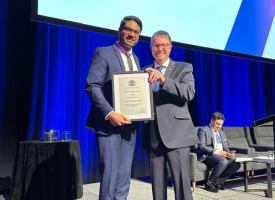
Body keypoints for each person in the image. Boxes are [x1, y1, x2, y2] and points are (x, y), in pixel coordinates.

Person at [85, 16, 142, 200]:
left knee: (124, 176)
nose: (131, 34)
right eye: (128, 29)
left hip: (130, 125)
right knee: (110, 176)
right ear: (119, 31)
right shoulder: (104, 52)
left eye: (135, 31)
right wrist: (110, 113)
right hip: (108, 124)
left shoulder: (137, 60)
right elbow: (92, 86)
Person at [142, 30, 199, 200]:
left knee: (182, 187)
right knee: (157, 190)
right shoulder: (142, 72)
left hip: (177, 136)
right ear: (151, 48)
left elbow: (189, 93)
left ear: (170, 47)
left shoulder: (184, 68)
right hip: (153, 136)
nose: (159, 48)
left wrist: (163, 80)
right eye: (156, 45)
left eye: (163, 45)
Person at [197, 111, 241, 193]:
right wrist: (217, 152)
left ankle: (219, 181)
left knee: (236, 163)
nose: (219, 126)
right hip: (208, 155)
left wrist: (229, 153)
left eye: (221, 124)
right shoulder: (203, 130)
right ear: (212, 121)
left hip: (220, 155)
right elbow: (201, 147)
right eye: (217, 124)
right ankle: (209, 183)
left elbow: (225, 147)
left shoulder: (222, 133)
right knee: (223, 161)